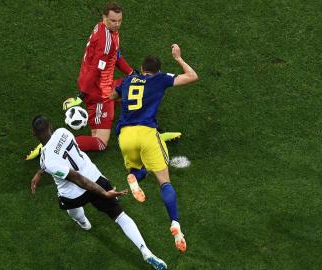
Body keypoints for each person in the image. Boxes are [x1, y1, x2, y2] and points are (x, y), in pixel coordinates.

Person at [25, 2, 180, 159]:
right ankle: (51, 144)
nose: (117, 24)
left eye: (119, 20)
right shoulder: (105, 41)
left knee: (141, 86)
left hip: (104, 84)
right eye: (113, 21)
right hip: (99, 93)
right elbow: (95, 69)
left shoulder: (105, 30)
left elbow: (116, 56)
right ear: (104, 17)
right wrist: (82, 95)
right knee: (100, 142)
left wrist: (132, 73)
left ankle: (154, 132)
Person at [29, 115, 167, 270]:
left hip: (74, 194)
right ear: (50, 125)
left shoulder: (47, 160)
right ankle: (145, 250)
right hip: (95, 177)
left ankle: (83, 222)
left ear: (34, 134)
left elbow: (77, 178)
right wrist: (40, 172)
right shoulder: (63, 132)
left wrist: (104, 193)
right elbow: (57, 156)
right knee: (121, 216)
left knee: (69, 207)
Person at [111, 44, 199, 253]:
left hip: (125, 137)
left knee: (142, 166)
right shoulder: (160, 79)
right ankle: (175, 224)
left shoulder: (127, 80)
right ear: (157, 71)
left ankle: (134, 176)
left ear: (141, 69)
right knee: (164, 181)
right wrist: (178, 58)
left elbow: (111, 97)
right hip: (147, 134)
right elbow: (192, 76)